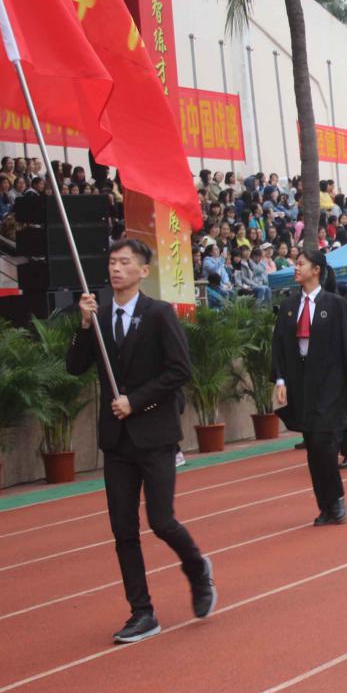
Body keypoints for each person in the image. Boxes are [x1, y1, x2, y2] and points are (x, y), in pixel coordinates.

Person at [67, 239, 215, 645]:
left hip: (155, 435)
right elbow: (75, 366)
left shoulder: (159, 314)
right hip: (116, 441)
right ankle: (142, 612)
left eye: (125, 262)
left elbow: (179, 370)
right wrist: (82, 327)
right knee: (123, 529)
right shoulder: (96, 315)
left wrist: (136, 400)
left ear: (143, 271)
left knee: (161, 520)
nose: (116, 269)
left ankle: (197, 567)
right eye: (112, 261)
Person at [271, 249, 347, 523]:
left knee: (324, 442)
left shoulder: (335, 304)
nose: (296, 267)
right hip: (301, 383)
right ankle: (325, 505)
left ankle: (336, 499)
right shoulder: (290, 305)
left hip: (330, 383)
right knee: (313, 446)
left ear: (316, 269)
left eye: (301, 263)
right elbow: (279, 345)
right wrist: (280, 379)